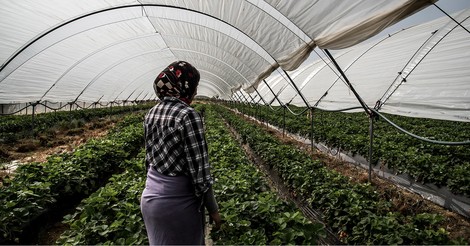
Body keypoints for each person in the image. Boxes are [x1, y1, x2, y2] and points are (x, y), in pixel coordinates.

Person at [140, 61, 221, 245]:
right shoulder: (188, 115)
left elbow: (148, 161)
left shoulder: (151, 113)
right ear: (184, 86)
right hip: (177, 206)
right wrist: (213, 210)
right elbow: (200, 173)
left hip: (150, 200)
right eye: (194, 86)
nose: (195, 91)